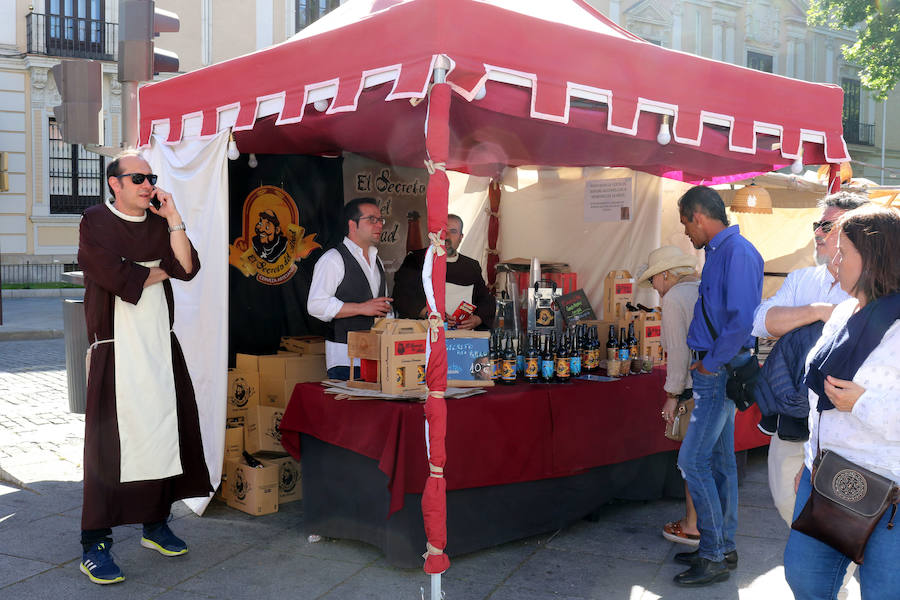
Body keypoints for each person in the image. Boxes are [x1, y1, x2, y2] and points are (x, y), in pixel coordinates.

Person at [76, 150, 211, 585]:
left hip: (157, 345)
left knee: (163, 431)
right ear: (114, 183)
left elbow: (186, 267)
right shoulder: (94, 220)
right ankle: (95, 542)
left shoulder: (158, 224)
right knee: (107, 446)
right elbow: (111, 275)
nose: (147, 184)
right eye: (137, 177)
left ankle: (155, 523)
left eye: (150, 176)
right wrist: (156, 269)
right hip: (116, 348)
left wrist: (173, 219)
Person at [784, 204, 900, 599]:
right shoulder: (844, 312)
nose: (834, 261)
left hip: (892, 495)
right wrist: (810, 457)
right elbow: (820, 404)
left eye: (843, 252)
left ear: (874, 258)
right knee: (804, 579)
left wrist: (864, 404)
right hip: (829, 476)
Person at [752, 192, 866, 525]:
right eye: (818, 224)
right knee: (786, 495)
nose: (817, 233)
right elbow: (761, 322)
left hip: (846, 419)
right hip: (794, 413)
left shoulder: (880, 285)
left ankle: (837, 570)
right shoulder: (805, 279)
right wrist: (817, 312)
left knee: (845, 511)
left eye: (827, 226)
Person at [672, 185, 763, 587]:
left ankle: (712, 554)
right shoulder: (722, 252)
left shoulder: (736, 253)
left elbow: (740, 321)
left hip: (718, 370)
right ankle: (722, 546)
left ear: (698, 216)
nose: (685, 234)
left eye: (685, 225)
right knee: (722, 463)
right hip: (717, 368)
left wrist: (709, 365)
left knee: (692, 462)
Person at [636, 246, 701, 547]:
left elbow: (677, 353)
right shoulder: (702, 288)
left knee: (692, 462)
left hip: (693, 389)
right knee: (712, 461)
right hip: (716, 385)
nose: (655, 289)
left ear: (665, 275)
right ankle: (712, 525)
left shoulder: (675, 298)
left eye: (654, 282)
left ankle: (692, 526)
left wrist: (672, 395)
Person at [307, 197, 393, 379]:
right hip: (345, 359)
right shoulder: (333, 259)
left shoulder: (377, 260)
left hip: (377, 355)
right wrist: (362, 308)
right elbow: (316, 305)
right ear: (352, 224)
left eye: (380, 220)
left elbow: (379, 305)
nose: (379, 225)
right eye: (372, 220)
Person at [393, 214, 494, 330]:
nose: (447, 236)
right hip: (425, 334)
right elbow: (401, 295)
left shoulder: (471, 266)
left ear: (461, 237)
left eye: (453, 231)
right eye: (443, 230)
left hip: (461, 336)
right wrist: (430, 314)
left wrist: (478, 319)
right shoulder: (417, 260)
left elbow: (485, 300)